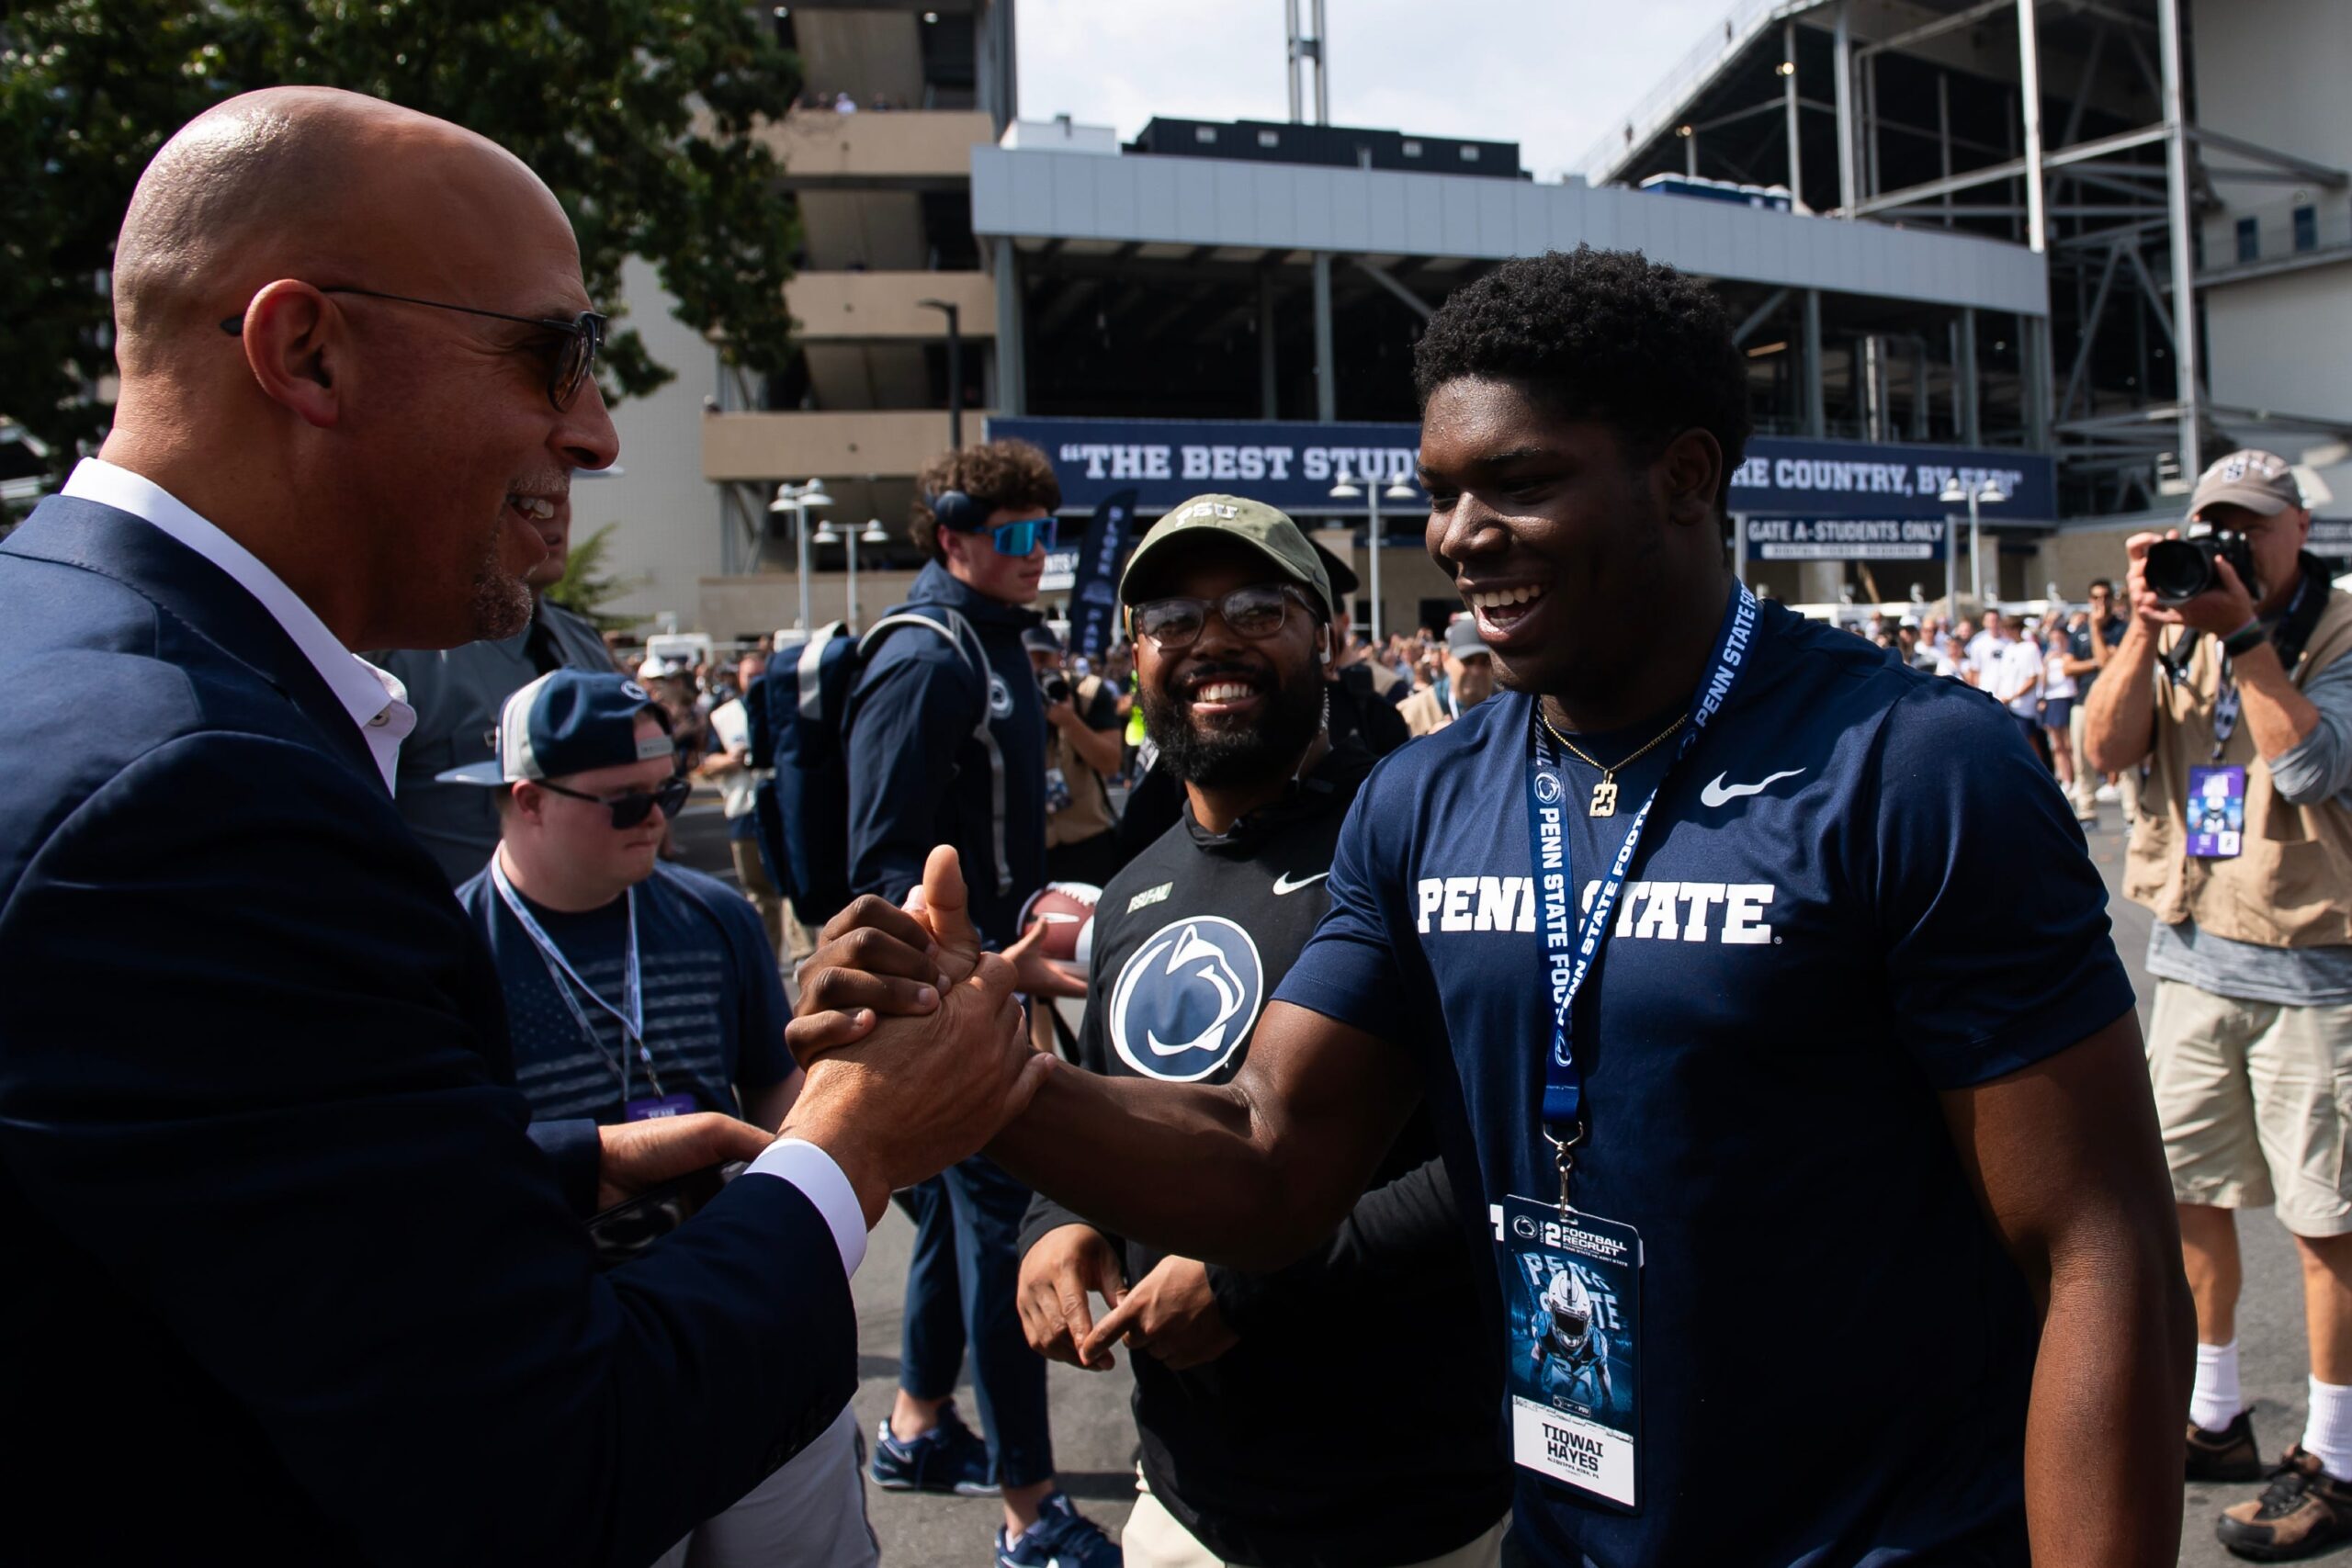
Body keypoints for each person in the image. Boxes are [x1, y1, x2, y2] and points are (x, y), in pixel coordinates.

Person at [797, 247, 2192, 1566]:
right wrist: (993, 1083)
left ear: (1684, 476)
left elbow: (2097, 1246)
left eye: (1515, 482)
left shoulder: (1919, 765)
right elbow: (1274, 1154)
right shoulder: (1428, 796)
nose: (1459, 536)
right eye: (1441, 488)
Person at [0, 86, 1046, 1566]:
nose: (600, 434)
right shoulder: (192, 789)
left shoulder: (68, 644)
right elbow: (545, 1463)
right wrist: (854, 1139)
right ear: (307, 351)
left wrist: (553, 1171)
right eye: (554, 356)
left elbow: (193, 1195)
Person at [1017, 497, 1513, 1568]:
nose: (1213, 643)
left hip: (1407, 1509)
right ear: (1136, 656)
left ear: (1326, 639)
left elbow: (1500, 1159)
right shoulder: (1134, 888)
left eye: (1255, 606)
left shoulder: (1413, 851)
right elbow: (1108, 1109)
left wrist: (1253, 1279)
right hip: (1186, 1504)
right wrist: (1056, 1224)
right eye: (1172, 619)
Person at [443, 669, 877, 1568]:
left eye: (669, 789)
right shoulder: (454, 949)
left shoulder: (712, 914)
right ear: (525, 799)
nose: (656, 817)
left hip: (744, 1324)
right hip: (572, 1361)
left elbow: (772, 1097)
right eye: (624, 801)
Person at [841, 439, 1115, 1566]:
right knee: (1007, 1241)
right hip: (951, 999)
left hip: (996, 984)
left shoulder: (1000, 641)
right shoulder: (928, 653)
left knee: (960, 1226)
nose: (1036, 553)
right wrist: (960, 978)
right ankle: (1029, 1512)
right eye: (1013, 534)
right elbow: (878, 856)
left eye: (1046, 530)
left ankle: (913, 1427)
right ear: (950, 533)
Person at [2084, 449, 2352, 1559]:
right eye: (2211, 526)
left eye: (2251, 525)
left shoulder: (2338, 632)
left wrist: (2242, 636)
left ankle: (2335, 1459)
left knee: (2325, 1222)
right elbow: (2102, 748)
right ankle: (2218, 1414)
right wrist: (2147, 626)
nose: (2230, 544)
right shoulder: (2178, 626)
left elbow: (2308, 771)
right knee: (2188, 1193)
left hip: (2317, 971)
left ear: (2298, 529)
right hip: (2195, 956)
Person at [376, 487, 615, 885]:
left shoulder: (581, 642)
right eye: (521, 496)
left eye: (562, 488)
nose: (552, 510)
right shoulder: (403, 658)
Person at [1030, 624, 1126, 887]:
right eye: (1028, 660)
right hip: (1033, 844)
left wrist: (1069, 721)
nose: (1037, 670)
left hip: (1090, 837)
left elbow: (1110, 764)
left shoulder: (1088, 692)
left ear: (1058, 657)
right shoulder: (1005, 699)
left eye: (1043, 658)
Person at [705, 649, 787, 954]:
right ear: (738, 678)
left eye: (760, 675)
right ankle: (768, 955)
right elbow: (707, 762)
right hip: (743, 811)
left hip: (781, 809)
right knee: (757, 890)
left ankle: (803, 957)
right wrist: (729, 760)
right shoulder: (724, 715)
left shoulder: (782, 706)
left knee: (790, 885)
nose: (755, 682)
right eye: (749, 676)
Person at [2065, 579, 2136, 827]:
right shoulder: (2079, 632)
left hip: (2116, 701)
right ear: (2089, 600)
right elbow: (2068, 667)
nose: (2101, 603)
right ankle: (2087, 810)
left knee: (2127, 759)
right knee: (2082, 759)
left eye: (2105, 597)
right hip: (2084, 701)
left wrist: (2096, 630)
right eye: (2095, 598)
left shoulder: (2122, 629)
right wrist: (2095, 661)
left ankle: (2132, 812)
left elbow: (2109, 663)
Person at [1398, 616, 1497, 738]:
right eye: (1467, 661)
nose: (1476, 671)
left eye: (1485, 662)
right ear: (1446, 659)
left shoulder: (1510, 710)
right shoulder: (1412, 713)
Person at [2041, 621, 2078, 795]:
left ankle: (2077, 778)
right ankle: (2065, 778)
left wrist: (2062, 656)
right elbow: (2042, 682)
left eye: (2059, 638)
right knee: (2057, 745)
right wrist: (2046, 664)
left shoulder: (2070, 654)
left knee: (2070, 743)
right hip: (2052, 699)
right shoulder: (2048, 657)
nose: (2056, 641)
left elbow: (2069, 672)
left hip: (2066, 697)